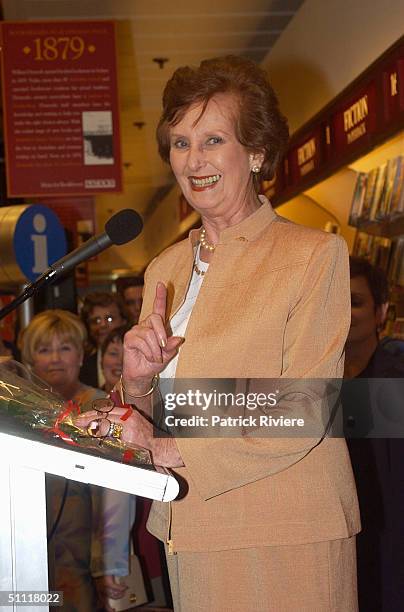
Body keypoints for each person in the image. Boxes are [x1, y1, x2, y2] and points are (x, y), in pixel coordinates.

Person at [77, 55, 360, 611]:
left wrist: (161, 446)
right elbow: (168, 408)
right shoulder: (165, 268)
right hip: (191, 526)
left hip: (286, 531)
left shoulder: (312, 255)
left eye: (213, 140)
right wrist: (137, 387)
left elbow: (306, 407)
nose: (194, 160)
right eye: (180, 143)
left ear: (255, 153)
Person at [19, 310, 130, 611]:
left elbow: (117, 494)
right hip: (25, 553)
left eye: (65, 348)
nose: (55, 358)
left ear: (81, 355)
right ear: (30, 359)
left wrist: (112, 563)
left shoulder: (100, 407)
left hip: (83, 558)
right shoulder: (17, 411)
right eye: (44, 350)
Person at [344, 257, 404, 611]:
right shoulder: (313, 386)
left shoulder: (394, 381)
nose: (343, 312)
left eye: (355, 302)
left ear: (381, 312)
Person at [80, 292, 129, 388]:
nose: (102, 325)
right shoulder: (81, 366)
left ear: (124, 320)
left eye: (109, 319)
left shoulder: (141, 356)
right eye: (96, 320)